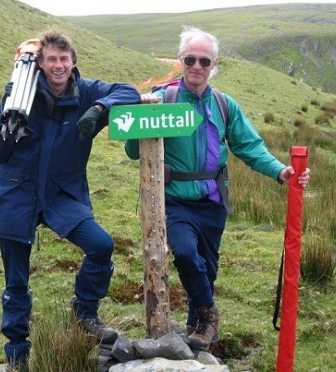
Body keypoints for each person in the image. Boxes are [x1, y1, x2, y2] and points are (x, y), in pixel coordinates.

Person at [125, 26, 310, 351]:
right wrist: (140, 117)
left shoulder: (225, 106)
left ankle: (198, 329)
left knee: (207, 268)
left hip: (213, 201)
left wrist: (281, 171)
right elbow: (131, 150)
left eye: (204, 61)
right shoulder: (163, 98)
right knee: (184, 253)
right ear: (181, 60)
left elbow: (250, 147)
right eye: (191, 59)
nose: (197, 66)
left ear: (214, 65)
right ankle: (210, 316)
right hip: (175, 201)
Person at [0, 29, 141, 367]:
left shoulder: (86, 92)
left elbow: (128, 91)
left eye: (64, 59)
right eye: (52, 59)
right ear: (40, 64)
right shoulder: (21, 95)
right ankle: (17, 352)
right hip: (16, 192)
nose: (58, 65)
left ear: (73, 63)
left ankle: (85, 313)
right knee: (16, 281)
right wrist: (9, 109)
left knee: (101, 246)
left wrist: (99, 108)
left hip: (62, 194)